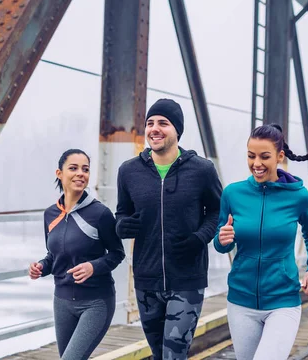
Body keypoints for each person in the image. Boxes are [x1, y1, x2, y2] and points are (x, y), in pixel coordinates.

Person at [115, 98, 222, 359]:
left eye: (163, 123)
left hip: (187, 280)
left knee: (174, 355)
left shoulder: (202, 170)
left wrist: (200, 238)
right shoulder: (129, 171)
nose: (154, 128)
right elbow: (122, 213)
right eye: (150, 123)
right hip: (146, 280)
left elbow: (219, 212)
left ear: (177, 130)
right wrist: (121, 225)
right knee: (159, 354)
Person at [214, 115, 308, 360]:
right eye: (251, 156)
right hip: (241, 302)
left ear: (279, 157)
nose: (256, 163)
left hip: (283, 300)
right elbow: (222, 243)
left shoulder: (299, 197)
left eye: (264, 156)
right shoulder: (233, 194)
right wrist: (222, 240)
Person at [29, 149, 125, 360]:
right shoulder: (50, 215)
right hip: (62, 302)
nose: (80, 173)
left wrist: (94, 267)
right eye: (73, 168)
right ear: (59, 173)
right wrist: (41, 267)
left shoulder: (100, 214)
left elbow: (117, 254)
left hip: (96, 302)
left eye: (85, 169)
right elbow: (53, 256)